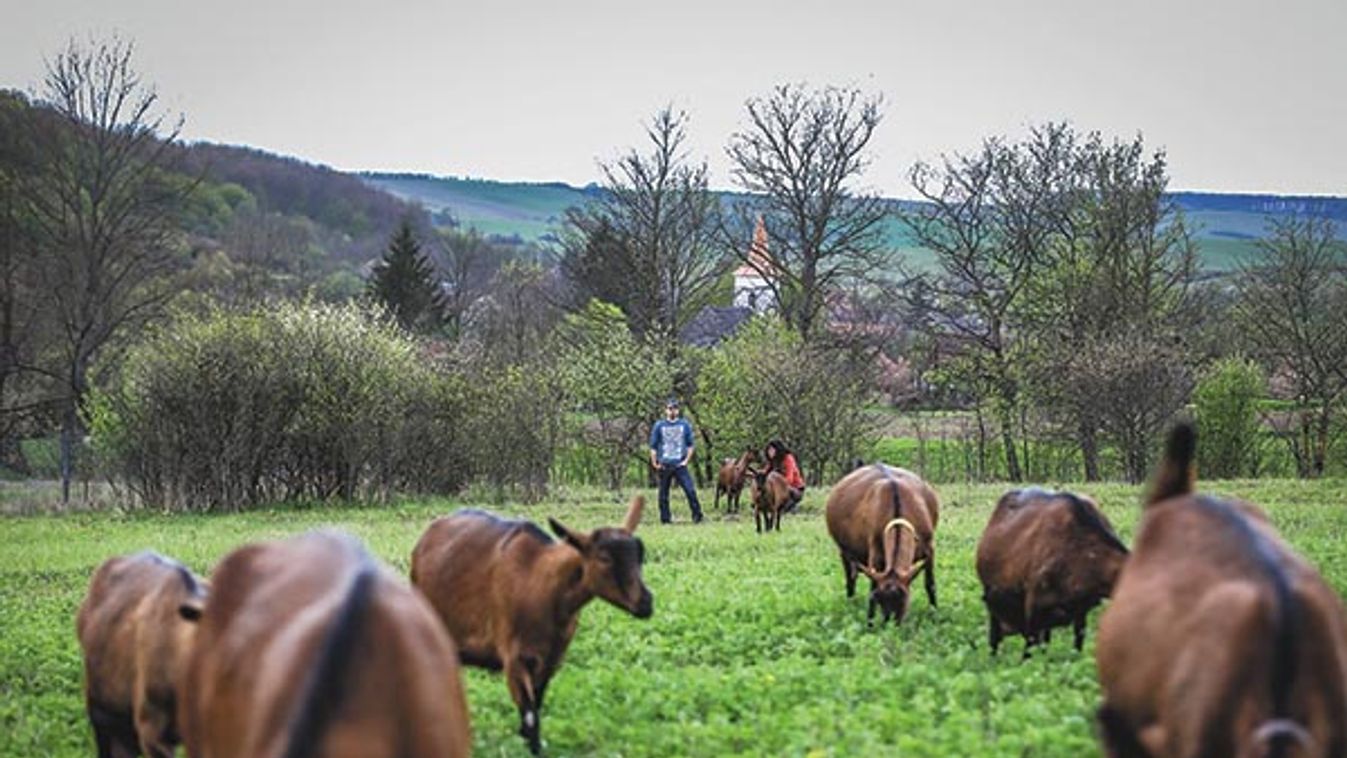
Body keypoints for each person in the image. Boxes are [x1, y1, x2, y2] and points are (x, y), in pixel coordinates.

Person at [649, 398, 704, 524]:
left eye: (674, 408)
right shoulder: (659, 426)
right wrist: (654, 462)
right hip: (664, 464)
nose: (672, 411)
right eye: (669, 408)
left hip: (680, 465)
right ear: (666, 410)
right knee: (663, 494)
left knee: (690, 490)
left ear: (678, 410)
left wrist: (686, 461)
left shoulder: (685, 425)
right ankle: (665, 519)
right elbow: (653, 446)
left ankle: (697, 516)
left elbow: (690, 445)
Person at [763, 439, 805, 512]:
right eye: (769, 450)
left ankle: (791, 506)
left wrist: (777, 481)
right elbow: (764, 473)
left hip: (794, 489)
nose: (770, 452)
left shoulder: (788, 459)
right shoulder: (772, 461)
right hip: (777, 489)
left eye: (772, 450)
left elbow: (790, 479)